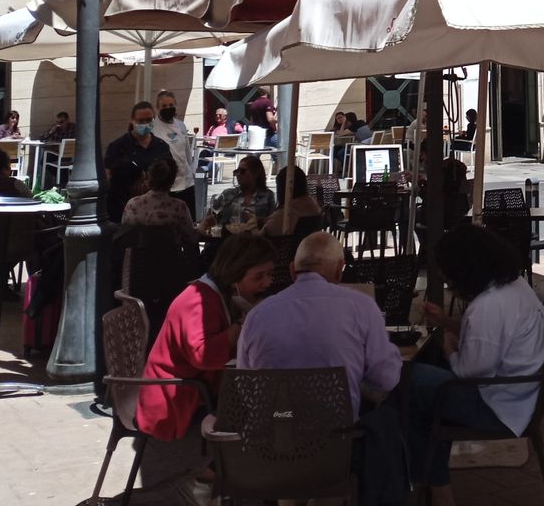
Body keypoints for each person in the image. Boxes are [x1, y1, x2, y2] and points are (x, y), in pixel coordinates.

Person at [408, 225, 544, 501]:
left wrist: (448, 347)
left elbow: (468, 370)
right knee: (421, 402)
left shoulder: (489, 305)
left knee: (408, 384)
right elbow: (490, 339)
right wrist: (447, 323)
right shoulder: (514, 286)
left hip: (499, 406)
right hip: (523, 395)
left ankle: (425, 484)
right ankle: (428, 482)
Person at [237, 232, 402, 418]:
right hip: (339, 438)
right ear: (340, 270)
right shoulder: (363, 307)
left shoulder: (256, 316)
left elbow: (246, 388)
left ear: (292, 270)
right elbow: (386, 379)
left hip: (274, 437)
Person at [135, 232, 277, 441]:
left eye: (270, 275)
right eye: (258, 277)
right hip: (174, 399)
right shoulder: (198, 301)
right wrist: (240, 326)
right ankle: (222, 465)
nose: (267, 283)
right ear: (235, 273)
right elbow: (204, 356)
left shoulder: (217, 295)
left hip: (194, 387)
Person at [103, 101, 171, 222]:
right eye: (140, 121)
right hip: (123, 210)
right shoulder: (118, 146)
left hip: (155, 210)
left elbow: (169, 174)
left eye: (149, 120)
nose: (145, 124)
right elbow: (107, 175)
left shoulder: (162, 147)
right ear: (132, 121)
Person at [122, 157, 196, 241]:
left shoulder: (132, 204)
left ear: (150, 177)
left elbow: (125, 234)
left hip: (139, 253)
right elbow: (192, 237)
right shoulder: (179, 207)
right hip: (169, 253)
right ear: (172, 181)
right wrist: (204, 225)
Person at [151, 90, 197, 218]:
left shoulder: (181, 125)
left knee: (189, 219)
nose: (168, 108)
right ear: (158, 108)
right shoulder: (154, 129)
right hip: (168, 186)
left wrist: (191, 172)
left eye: (171, 105)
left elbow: (187, 153)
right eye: (164, 106)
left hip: (187, 182)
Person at [203, 155, 276, 227]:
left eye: (242, 171)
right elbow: (210, 216)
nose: (238, 174)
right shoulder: (228, 194)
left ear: (256, 173)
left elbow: (271, 222)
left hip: (255, 237)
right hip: (227, 236)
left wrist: (257, 220)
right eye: (236, 171)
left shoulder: (267, 196)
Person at [261, 163, 324, 238]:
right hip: (307, 246)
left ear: (282, 188)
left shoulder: (286, 214)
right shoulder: (313, 206)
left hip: (283, 248)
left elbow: (265, 232)